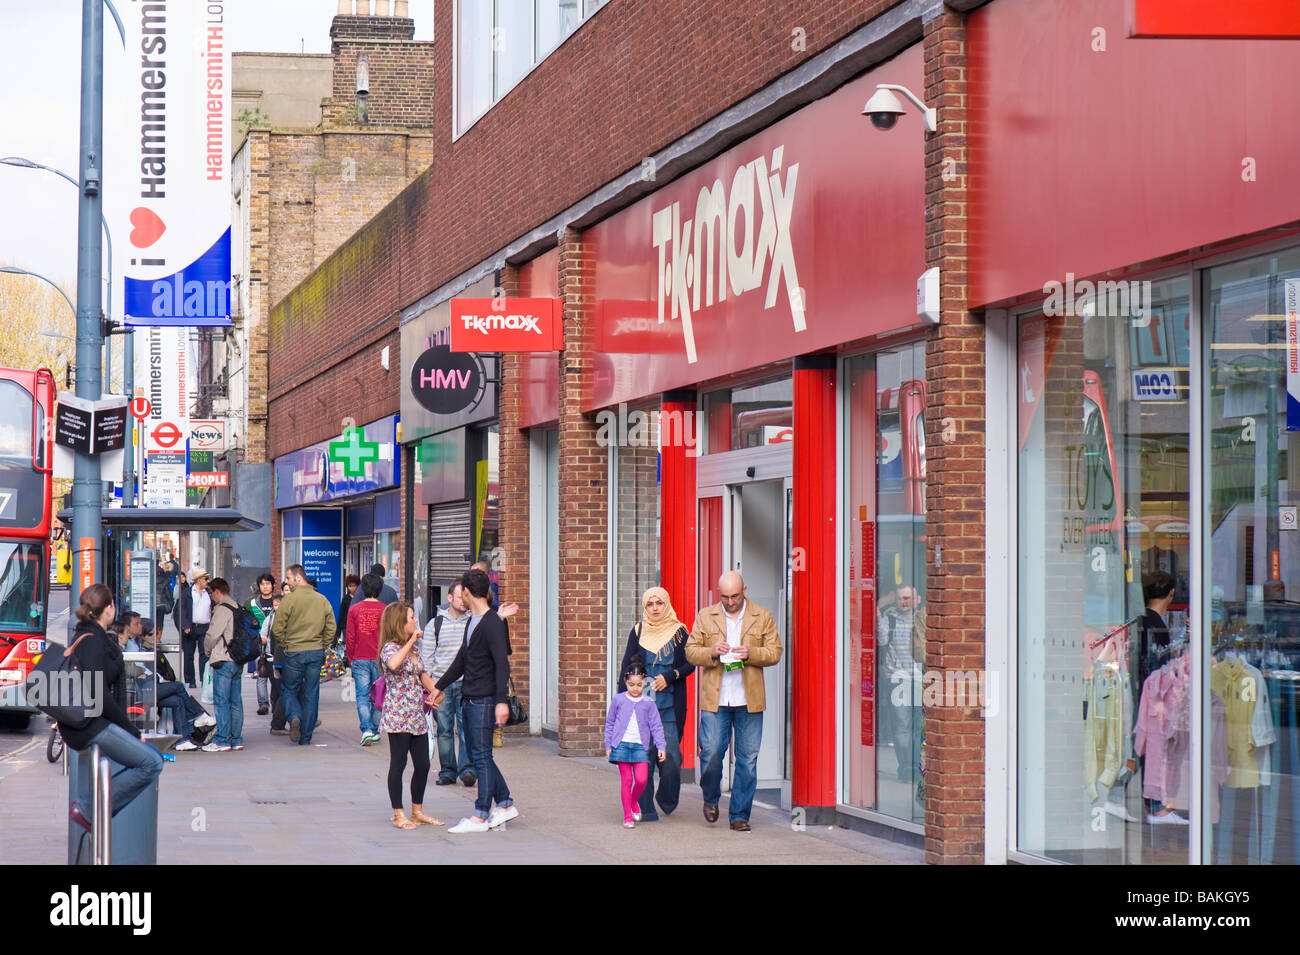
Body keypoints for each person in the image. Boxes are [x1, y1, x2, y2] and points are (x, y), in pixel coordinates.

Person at [61, 584, 165, 835]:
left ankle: (95, 809)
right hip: (89, 724)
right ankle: (88, 808)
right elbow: (99, 695)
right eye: (113, 605)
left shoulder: (91, 636)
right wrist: (131, 730)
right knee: (151, 762)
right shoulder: (92, 642)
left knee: (152, 758)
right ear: (108, 609)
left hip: (90, 721)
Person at [685, 570, 783, 831]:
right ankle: (710, 798)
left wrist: (751, 653)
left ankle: (739, 815)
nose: (730, 602)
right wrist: (711, 652)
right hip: (715, 699)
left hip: (749, 700)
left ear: (744, 591)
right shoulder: (706, 616)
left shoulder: (762, 616)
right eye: (725, 597)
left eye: (735, 596)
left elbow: (775, 652)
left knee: (747, 760)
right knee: (711, 753)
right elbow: (691, 652)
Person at [431, 569, 518, 833]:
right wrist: (439, 686)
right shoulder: (475, 621)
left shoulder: (491, 623)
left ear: (467, 592)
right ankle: (504, 803)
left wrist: (501, 701)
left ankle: (480, 815)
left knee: (480, 756)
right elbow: (462, 659)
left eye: (461, 593)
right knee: (481, 754)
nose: (460, 598)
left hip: (484, 699)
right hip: (471, 697)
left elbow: (502, 664)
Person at [616, 586, 693, 820]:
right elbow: (626, 668)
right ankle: (646, 809)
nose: (655, 608)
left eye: (659, 603)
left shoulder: (679, 632)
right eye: (650, 604)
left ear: (666, 604)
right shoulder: (638, 632)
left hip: (669, 709)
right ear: (645, 607)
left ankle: (666, 799)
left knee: (671, 758)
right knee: (644, 758)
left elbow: (690, 664)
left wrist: (670, 676)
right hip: (641, 708)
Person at [378, 601, 444, 829]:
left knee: (423, 764)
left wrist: (436, 693)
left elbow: (423, 675)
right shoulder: (389, 648)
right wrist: (412, 641)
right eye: (411, 617)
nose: (415, 621)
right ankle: (398, 813)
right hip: (398, 714)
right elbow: (393, 664)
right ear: (400, 623)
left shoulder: (414, 650)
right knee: (398, 763)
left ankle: (417, 810)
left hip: (416, 714)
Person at [271, 564, 336, 746]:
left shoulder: (289, 600)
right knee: (311, 694)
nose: (286, 582)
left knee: (289, 689)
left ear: (298, 578)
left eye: (288, 578)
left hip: (294, 651)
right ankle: (305, 737)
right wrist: (322, 645)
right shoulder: (322, 599)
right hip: (315, 651)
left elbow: (277, 628)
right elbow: (331, 627)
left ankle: (294, 716)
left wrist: (286, 645)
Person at [420, 579, 474, 786]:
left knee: (466, 729)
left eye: (466, 597)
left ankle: (467, 770)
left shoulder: (472, 622)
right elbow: (427, 659)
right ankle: (448, 771)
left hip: (466, 684)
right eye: (460, 597)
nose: (463, 601)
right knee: (444, 730)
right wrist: (431, 688)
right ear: (450, 598)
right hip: (440, 686)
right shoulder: (435, 624)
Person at [130, 619, 215, 751]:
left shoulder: (146, 647)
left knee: (177, 700)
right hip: (143, 689)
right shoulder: (137, 648)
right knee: (178, 686)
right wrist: (158, 679)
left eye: (156, 633)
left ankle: (183, 739)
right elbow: (139, 669)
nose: (155, 637)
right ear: (142, 635)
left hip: (150, 686)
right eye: (151, 634)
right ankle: (198, 715)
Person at [604, 662, 667, 828]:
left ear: (645, 683)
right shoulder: (618, 699)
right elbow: (610, 723)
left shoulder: (649, 703)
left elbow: (656, 726)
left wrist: (661, 746)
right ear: (625, 682)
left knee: (641, 780)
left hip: (640, 747)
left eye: (639, 685)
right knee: (627, 780)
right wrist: (608, 745)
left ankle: (633, 801)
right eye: (631, 685)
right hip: (621, 745)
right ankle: (627, 816)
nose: (635, 689)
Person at [878, 584, 923, 782]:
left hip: (921, 679)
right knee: (902, 726)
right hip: (898, 678)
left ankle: (917, 766)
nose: (903, 602)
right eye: (900, 598)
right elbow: (881, 641)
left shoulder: (923, 619)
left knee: (918, 726)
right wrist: (881, 612)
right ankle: (907, 768)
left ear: (917, 600)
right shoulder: (889, 618)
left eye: (907, 598)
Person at [203, 578, 245, 753]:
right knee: (236, 702)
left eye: (211, 593)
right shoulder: (237, 606)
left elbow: (212, 635)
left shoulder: (222, 609)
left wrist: (207, 650)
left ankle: (222, 740)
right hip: (238, 659)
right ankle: (236, 739)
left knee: (221, 701)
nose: (211, 597)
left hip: (223, 659)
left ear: (217, 591)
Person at [346, 573, 386, 746]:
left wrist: (350, 658)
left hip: (359, 657)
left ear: (362, 589)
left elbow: (350, 637)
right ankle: (375, 729)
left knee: (362, 696)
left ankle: (366, 730)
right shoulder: (385, 610)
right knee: (379, 695)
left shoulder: (354, 609)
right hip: (380, 659)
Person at [174, 568, 212, 688]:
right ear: (199, 580)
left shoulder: (209, 593)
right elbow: (182, 611)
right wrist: (185, 625)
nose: (207, 581)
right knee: (189, 655)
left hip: (205, 627)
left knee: (204, 654)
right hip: (190, 627)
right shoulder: (187, 593)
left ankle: (203, 679)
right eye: (205, 579)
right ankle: (190, 680)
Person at [246, 574, 277, 715]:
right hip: (259, 643)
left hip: (276, 644)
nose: (265, 587)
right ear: (259, 586)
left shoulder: (279, 601)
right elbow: (246, 621)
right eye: (263, 584)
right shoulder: (253, 603)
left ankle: (275, 702)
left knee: (276, 675)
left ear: (273, 585)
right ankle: (263, 704)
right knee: (261, 673)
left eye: (268, 584)